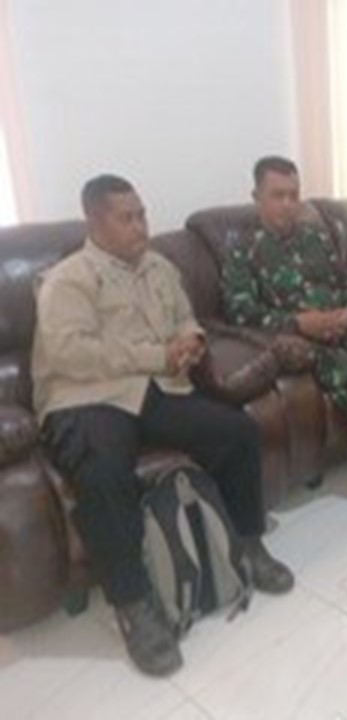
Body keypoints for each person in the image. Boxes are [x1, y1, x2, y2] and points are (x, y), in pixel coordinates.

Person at [32, 175, 294, 677]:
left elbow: (185, 318)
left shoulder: (159, 267)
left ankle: (248, 543)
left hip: (157, 389)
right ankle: (133, 604)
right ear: (95, 223)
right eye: (126, 218)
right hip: (87, 398)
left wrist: (191, 341)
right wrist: (158, 355)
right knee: (102, 474)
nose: (140, 226)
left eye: (142, 215)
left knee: (237, 432)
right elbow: (70, 354)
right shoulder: (68, 279)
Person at [221, 156, 347, 437]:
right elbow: (240, 312)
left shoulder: (316, 238)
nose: (288, 204)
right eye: (278, 196)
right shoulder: (241, 248)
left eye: (294, 195)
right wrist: (298, 323)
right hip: (311, 346)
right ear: (257, 197)